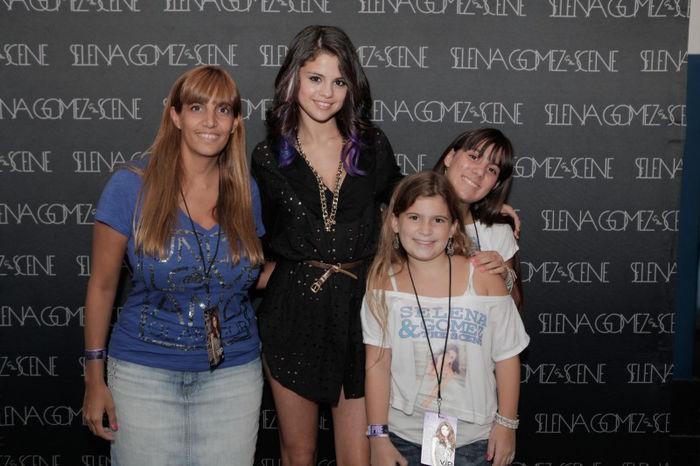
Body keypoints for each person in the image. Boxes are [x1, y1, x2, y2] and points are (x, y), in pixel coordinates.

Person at [81, 65, 265, 465]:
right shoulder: (131, 186)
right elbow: (102, 286)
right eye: (197, 107)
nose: (211, 121)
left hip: (233, 375)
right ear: (175, 115)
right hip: (143, 374)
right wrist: (94, 378)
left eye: (224, 110)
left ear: (235, 123)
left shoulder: (245, 191)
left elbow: (254, 270)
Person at [251, 25, 402, 465]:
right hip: (291, 314)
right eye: (315, 77)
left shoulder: (371, 146)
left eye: (339, 81)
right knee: (299, 453)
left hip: (360, 314)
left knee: (357, 456)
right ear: (293, 78)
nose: (327, 92)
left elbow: (410, 208)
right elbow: (251, 236)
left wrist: (477, 215)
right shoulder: (268, 155)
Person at [362, 171, 529, 466]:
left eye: (438, 220)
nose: (425, 230)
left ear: (453, 227)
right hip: (402, 438)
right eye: (414, 217)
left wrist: (507, 424)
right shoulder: (383, 284)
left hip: (475, 440)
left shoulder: (484, 279)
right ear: (394, 222)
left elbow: (507, 356)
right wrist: (378, 437)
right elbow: (377, 365)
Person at [433, 128, 523, 309]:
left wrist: (503, 276)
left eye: (491, 169)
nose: (479, 172)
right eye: (474, 157)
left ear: (495, 184)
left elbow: (513, 309)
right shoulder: (409, 219)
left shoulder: (498, 231)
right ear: (450, 157)